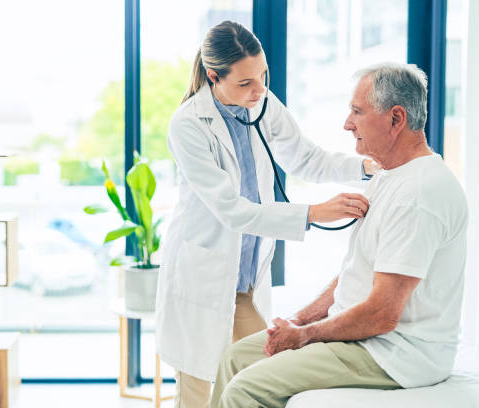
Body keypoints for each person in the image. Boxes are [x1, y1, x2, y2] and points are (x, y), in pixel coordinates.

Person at [210, 62, 469, 408]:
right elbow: (357, 271)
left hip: (394, 353)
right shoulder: (390, 176)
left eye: (357, 112)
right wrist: (299, 319)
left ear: (396, 119)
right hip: (366, 339)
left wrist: (304, 336)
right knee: (235, 358)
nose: (347, 124)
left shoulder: (419, 194)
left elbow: (382, 314)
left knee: (245, 389)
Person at [155, 21, 380, 408]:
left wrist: (364, 167)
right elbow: (231, 210)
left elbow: (305, 158)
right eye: (245, 83)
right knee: (195, 393)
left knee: (255, 376)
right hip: (202, 274)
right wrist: (312, 213)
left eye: (262, 75)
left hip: (245, 280)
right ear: (213, 76)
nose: (258, 89)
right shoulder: (188, 125)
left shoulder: (261, 102)